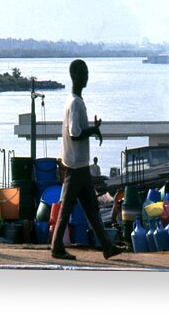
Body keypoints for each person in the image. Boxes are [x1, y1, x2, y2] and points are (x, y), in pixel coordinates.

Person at [50, 59, 122, 260]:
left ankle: (107, 247)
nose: (87, 77)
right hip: (75, 166)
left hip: (78, 164)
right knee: (67, 209)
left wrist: (92, 128)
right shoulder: (75, 103)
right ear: (75, 76)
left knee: (91, 209)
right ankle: (56, 247)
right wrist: (93, 130)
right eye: (84, 73)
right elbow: (75, 133)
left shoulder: (75, 100)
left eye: (87, 73)